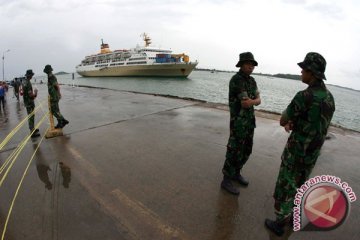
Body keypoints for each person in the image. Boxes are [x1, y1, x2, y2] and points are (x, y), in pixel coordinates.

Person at [265, 52, 335, 236]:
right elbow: (316, 123)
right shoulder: (330, 99)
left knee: (285, 186)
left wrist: (290, 122)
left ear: (312, 72)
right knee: (300, 184)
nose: (301, 72)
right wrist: (296, 123)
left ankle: (280, 222)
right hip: (311, 154)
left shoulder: (304, 96)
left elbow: (283, 120)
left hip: (296, 152)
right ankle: (292, 215)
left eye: (304, 69)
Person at [221, 52, 261, 195]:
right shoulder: (236, 80)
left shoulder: (252, 81)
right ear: (242, 65)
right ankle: (226, 179)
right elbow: (245, 103)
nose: (251, 67)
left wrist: (253, 101)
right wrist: (253, 101)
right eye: (248, 64)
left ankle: (236, 173)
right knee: (234, 149)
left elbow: (258, 100)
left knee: (246, 149)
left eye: (252, 64)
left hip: (250, 121)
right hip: (238, 121)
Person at [43, 64, 69, 129]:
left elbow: (56, 85)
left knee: (53, 110)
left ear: (47, 71)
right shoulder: (49, 76)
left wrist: (59, 94)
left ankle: (63, 120)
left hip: (54, 96)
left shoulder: (51, 76)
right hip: (53, 95)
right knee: (56, 110)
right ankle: (60, 123)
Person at [22, 70, 40, 138]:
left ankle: (32, 129)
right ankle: (32, 132)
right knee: (31, 117)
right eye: (31, 75)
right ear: (29, 75)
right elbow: (31, 95)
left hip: (27, 102)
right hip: (29, 103)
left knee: (31, 116)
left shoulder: (24, 81)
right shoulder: (27, 83)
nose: (32, 76)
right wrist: (35, 92)